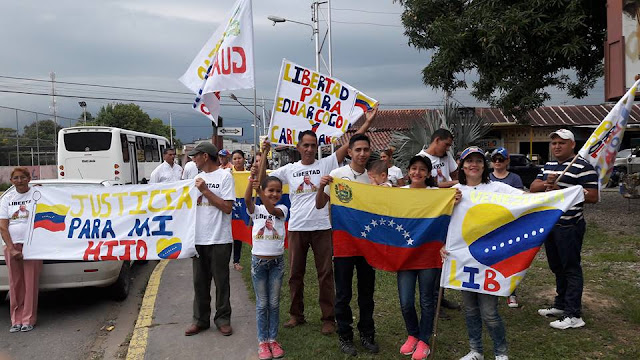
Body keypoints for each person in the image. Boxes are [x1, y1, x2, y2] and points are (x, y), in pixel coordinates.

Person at [265, 105, 378, 335]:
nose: (308, 149)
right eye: (305, 145)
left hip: (323, 227)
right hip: (296, 228)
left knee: (325, 274)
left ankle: (329, 318)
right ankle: (296, 315)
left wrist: (367, 123)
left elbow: (351, 144)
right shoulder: (288, 169)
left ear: (318, 148)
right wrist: (263, 152)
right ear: (298, 147)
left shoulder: (326, 164)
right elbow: (265, 182)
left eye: (312, 146)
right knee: (296, 274)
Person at [442, 146, 524, 360]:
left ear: (484, 165)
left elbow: (527, 200)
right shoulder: (454, 192)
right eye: (469, 161)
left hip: (489, 260)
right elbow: (443, 222)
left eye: (478, 161)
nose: (474, 165)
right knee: (469, 310)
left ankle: (501, 352)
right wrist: (443, 244)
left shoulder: (497, 188)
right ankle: (475, 350)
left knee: (489, 313)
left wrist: (558, 195)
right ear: (461, 165)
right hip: (463, 260)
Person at [315, 134, 379, 356]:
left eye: (366, 150)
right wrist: (320, 187)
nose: (362, 154)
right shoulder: (337, 175)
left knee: (366, 293)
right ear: (349, 152)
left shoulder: (373, 178)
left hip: (368, 245)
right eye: (358, 149)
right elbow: (320, 204)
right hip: (343, 244)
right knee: (343, 293)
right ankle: (345, 336)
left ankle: (367, 334)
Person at [530, 129, 598, 330]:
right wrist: (547, 183)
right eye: (554, 143)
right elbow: (533, 187)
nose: (557, 146)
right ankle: (561, 305)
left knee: (571, 268)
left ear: (572, 145)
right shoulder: (548, 165)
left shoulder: (583, 167)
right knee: (557, 267)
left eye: (562, 142)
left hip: (570, 225)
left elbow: (593, 196)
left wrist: (564, 191)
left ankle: (574, 314)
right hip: (551, 224)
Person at [397, 155, 461, 360]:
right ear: (408, 171)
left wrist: (456, 200)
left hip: (428, 255)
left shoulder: (438, 194)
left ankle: (424, 339)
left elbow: (453, 212)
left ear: (428, 173)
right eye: (413, 168)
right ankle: (412, 334)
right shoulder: (397, 194)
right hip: (405, 256)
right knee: (406, 301)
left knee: (427, 300)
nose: (417, 173)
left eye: (422, 169)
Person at [184, 142, 236, 337]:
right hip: (198, 239)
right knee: (199, 282)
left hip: (220, 239)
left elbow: (227, 207)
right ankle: (200, 320)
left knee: (222, 282)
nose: (193, 159)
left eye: (195, 155)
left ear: (205, 156)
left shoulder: (225, 176)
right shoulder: (195, 178)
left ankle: (223, 319)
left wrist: (205, 191)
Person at [245, 148, 288, 359]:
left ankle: (273, 339)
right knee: (262, 304)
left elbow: (272, 210)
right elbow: (247, 201)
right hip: (258, 263)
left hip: (277, 263)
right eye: (269, 190)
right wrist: (251, 179)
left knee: (274, 303)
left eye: (277, 191)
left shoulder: (282, 210)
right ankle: (263, 342)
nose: (274, 194)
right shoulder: (256, 210)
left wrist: (260, 190)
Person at [417, 129, 460, 311]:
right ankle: (431, 300)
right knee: (432, 254)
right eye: (446, 144)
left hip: (448, 208)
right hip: (431, 211)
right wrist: (450, 184)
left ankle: (440, 296)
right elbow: (425, 184)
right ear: (436, 140)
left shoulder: (446, 156)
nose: (448, 148)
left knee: (445, 252)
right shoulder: (421, 158)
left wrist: (451, 185)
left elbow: (457, 176)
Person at [0, 167, 42, 333]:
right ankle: (16, 319)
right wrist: (11, 249)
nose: (19, 180)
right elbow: (3, 227)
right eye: (15, 178)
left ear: (28, 179)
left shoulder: (37, 194)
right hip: (12, 246)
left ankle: (28, 319)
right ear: (11, 181)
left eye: (22, 177)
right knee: (15, 283)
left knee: (31, 283)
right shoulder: (7, 198)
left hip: (33, 245)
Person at [489, 147, 524, 308]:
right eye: (495, 159)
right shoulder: (487, 178)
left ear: (507, 161)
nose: (497, 162)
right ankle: (490, 289)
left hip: (509, 224)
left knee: (509, 258)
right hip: (490, 224)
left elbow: (520, 200)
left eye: (501, 159)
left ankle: (511, 292)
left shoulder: (515, 179)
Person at [231, 149, 247, 271]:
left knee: (242, 233)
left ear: (244, 159)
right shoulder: (228, 174)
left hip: (245, 205)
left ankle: (237, 261)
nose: (237, 160)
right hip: (232, 205)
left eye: (239, 158)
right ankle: (233, 261)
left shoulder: (248, 174)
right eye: (235, 158)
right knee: (233, 234)